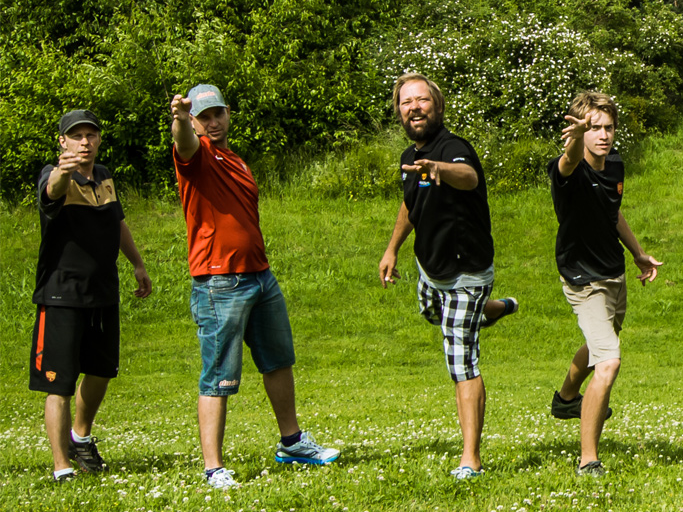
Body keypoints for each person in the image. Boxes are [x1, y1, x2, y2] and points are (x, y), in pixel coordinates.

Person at [170, 84, 339, 488]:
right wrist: (178, 121)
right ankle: (214, 468)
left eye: (218, 114)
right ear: (194, 121)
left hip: (260, 276)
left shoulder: (238, 161)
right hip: (219, 281)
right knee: (218, 375)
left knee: (278, 360)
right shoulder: (197, 155)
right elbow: (185, 144)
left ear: (227, 116)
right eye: (203, 116)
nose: (212, 122)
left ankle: (292, 443)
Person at [378, 73, 518, 480]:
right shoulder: (411, 156)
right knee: (432, 314)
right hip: (430, 270)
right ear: (398, 112)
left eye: (422, 100)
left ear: (437, 107)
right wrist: (392, 249)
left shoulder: (454, 149)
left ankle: (470, 458)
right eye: (406, 103)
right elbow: (411, 203)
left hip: (466, 274)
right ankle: (489, 310)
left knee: (461, 360)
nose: (414, 108)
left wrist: (440, 167)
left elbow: (468, 176)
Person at [30, 110, 151, 481]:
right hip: (62, 293)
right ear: (62, 141)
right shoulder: (54, 176)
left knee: (101, 372)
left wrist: (137, 264)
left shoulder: (104, 176)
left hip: (103, 292)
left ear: (98, 139)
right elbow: (52, 192)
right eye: (76, 135)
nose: (85, 141)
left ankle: (79, 437)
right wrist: (64, 171)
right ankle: (61, 466)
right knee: (59, 382)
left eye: (91, 135)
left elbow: (116, 222)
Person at [546, 90, 661, 475]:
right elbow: (568, 161)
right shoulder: (566, 170)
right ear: (580, 131)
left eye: (608, 127)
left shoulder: (615, 167)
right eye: (594, 127)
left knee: (600, 347)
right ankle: (588, 459)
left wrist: (638, 253)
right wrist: (576, 139)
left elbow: (613, 215)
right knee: (608, 362)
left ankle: (565, 398)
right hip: (583, 280)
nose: (603, 134)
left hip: (614, 275)